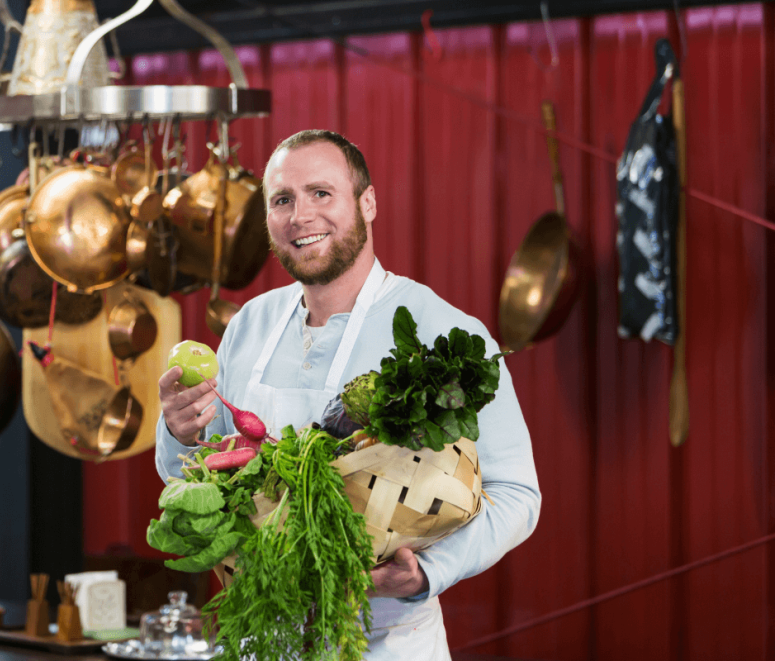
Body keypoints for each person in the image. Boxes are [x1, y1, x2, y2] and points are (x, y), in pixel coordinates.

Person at [155, 129, 540, 660]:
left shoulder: (442, 331)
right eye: (282, 200)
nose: (300, 216)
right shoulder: (250, 325)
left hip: (383, 643)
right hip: (262, 636)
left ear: (367, 203)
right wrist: (178, 432)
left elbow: (517, 494)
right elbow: (195, 481)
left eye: (321, 194)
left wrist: (430, 572)